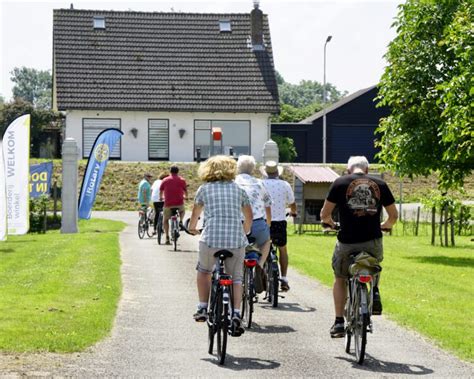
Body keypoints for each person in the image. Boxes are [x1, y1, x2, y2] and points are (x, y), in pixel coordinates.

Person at [320, 156, 398, 338]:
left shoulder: (340, 183)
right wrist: (385, 225)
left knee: (340, 277)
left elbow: (325, 214)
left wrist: (330, 223)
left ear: (349, 170)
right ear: (367, 170)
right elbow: (393, 216)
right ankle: (375, 291)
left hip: (347, 242)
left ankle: (339, 321)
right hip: (372, 241)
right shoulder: (380, 184)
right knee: (373, 266)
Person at [188, 155, 253, 337]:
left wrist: (193, 228)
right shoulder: (239, 190)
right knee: (236, 279)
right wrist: (245, 232)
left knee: (204, 271)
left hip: (210, 239)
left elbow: (195, 213)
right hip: (235, 240)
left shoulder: (204, 189)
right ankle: (236, 314)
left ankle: (202, 307)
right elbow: (249, 216)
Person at [235, 156, 272, 285]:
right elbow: (268, 205)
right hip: (257, 223)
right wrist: (268, 223)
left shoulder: (233, 183)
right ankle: (260, 265)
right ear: (253, 169)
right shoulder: (259, 183)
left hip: (238, 224)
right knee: (266, 242)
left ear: (238, 168)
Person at [261, 161, 297, 292]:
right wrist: (293, 212)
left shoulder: (260, 184)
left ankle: (260, 274)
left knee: (260, 248)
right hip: (279, 223)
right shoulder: (284, 185)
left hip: (264, 221)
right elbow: (292, 202)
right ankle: (285, 278)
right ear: (277, 172)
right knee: (282, 249)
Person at [160, 165, 188, 245]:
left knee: (165, 220)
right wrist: (186, 197)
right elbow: (185, 191)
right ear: (178, 171)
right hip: (179, 203)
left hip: (168, 204)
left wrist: (161, 198)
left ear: (170, 171)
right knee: (182, 211)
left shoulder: (165, 180)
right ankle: (181, 221)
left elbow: (161, 191)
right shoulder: (182, 180)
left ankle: (167, 237)